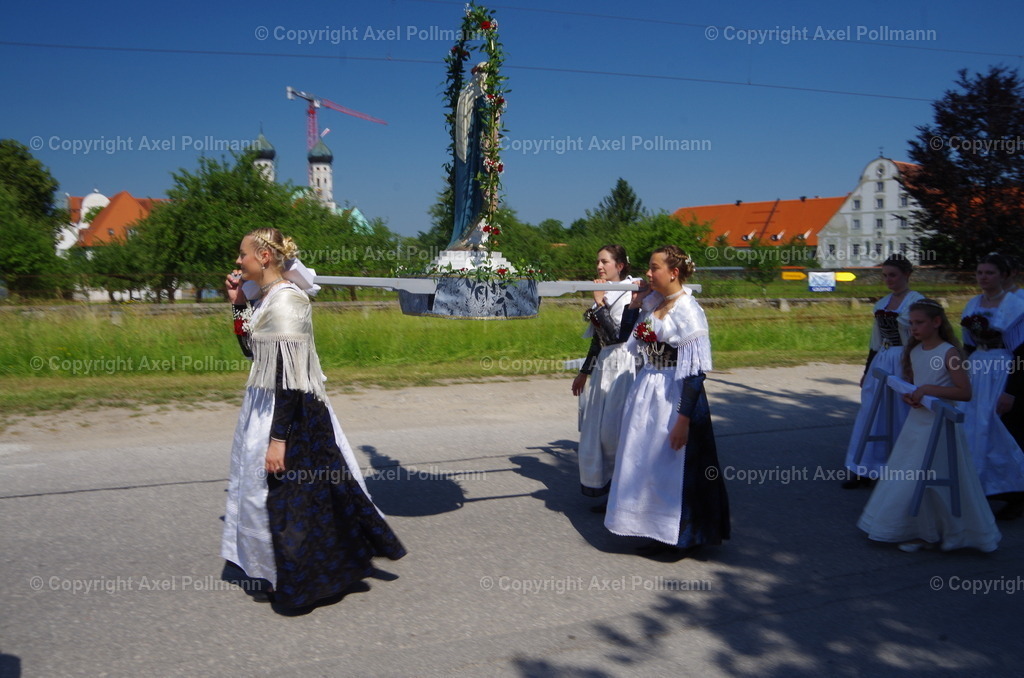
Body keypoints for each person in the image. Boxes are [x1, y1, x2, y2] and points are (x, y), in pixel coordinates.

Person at [222, 227, 406, 609]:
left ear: (264, 257)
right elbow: (251, 353)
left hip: (292, 412)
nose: (238, 262)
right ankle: (280, 569)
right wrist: (238, 304)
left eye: (243, 255)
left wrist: (279, 439)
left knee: (290, 498)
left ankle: (297, 577)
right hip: (266, 405)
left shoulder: (288, 302)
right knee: (283, 496)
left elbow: (288, 381)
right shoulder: (265, 297)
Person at [604, 246, 730, 557]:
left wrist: (683, 420)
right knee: (648, 464)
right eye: (649, 268)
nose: (648, 273)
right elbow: (628, 339)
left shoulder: (688, 310)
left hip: (675, 395)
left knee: (674, 467)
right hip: (649, 389)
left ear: (673, 272)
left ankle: (681, 535)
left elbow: (695, 372)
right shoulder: (656, 304)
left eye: (654, 268)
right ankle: (654, 529)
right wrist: (635, 304)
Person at [858, 299, 1000, 552]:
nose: (914, 328)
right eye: (911, 323)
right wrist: (911, 395)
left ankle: (940, 532)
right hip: (917, 423)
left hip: (941, 424)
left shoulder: (949, 352)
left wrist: (927, 390)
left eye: (919, 322)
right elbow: (917, 385)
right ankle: (921, 530)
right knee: (910, 474)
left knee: (931, 476)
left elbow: (964, 392)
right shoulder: (913, 351)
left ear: (936, 322)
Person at [843, 255, 923, 488]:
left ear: (907, 274)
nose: (888, 279)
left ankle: (902, 468)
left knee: (901, 412)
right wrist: (867, 369)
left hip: (905, 360)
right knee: (872, 411)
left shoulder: (917, 302)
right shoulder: (882, 303)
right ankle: (864, 467)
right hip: (882, 359)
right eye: (885, 275)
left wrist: (915, 368)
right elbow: (875, 340)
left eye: (893, 275)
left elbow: (922, 337)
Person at [571, 245, 639, 510]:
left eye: (604, 262)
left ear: (619, 265)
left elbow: (619, 336)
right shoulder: (605, 293)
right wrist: (584, 373)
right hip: (604, 367)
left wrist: (600, 302)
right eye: (597, 262)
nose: (599, 266)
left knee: (614, 433)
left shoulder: (631, 290)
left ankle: (626, 494)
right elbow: (599, 341)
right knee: (598, 431)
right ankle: (612, 493)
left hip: (623, 365)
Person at [960, 252, 1024, 520]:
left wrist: (1011, 390)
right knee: (974, 429)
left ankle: (1015, 494)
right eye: (980, 273)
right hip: (977, 368)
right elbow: (967, 344)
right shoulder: (973, 304)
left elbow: (1022, 352)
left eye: (989, 273)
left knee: (1003, 433)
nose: (983, 277)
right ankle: (980, 489)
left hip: (1003, 369)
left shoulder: (1015, 307)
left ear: (1003, 276)